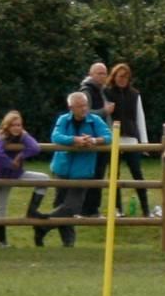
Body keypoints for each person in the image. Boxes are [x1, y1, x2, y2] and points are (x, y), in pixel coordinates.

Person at [35, 92, 111, 247]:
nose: (84, 109)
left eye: (85, 105)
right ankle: (68, 242)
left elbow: (109, 136)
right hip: (61, 169)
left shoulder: (95, 120)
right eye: (80, 106)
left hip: (82, 172)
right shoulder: (63, 120)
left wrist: (94, 140)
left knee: (73, 206)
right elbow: (55, 136)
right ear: (71, 108)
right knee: (61, 204)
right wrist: (74, 140)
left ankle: (42, 226)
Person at [0, 111, 50, 247]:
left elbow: (35, 148)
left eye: (19, 125)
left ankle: (32, 211)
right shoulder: (0, 136)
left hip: (18, 174)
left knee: (44, 179)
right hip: (2, 176)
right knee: (1, 208)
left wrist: (21, 155)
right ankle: (1, 241)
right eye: (14, 125)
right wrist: (11, 163)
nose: (17, 127)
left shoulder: (23, 135)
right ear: (7, 126)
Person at [104, 63, 151, 217]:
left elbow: (140, 117)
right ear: (114, 77)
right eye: (120, 76)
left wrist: (143, 143)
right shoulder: (107, 92)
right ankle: (117, 209)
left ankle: (146, 209)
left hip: (131, 139)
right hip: (114, 139)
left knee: (137, 174)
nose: (123, 79)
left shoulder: (134, 94)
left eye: (126, 77)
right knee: (114, 175)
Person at [79, 62, 115, 217]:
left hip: (102, 137)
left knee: (99, 174)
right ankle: (89, 210)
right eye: (99, 73)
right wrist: (104, 111)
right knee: (93, 174)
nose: (102, 76)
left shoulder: (101, 91)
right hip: (91, 139)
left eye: (104, 73)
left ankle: (92, 208)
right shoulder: (87, 91)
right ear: (91, 74)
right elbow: (84, 113)